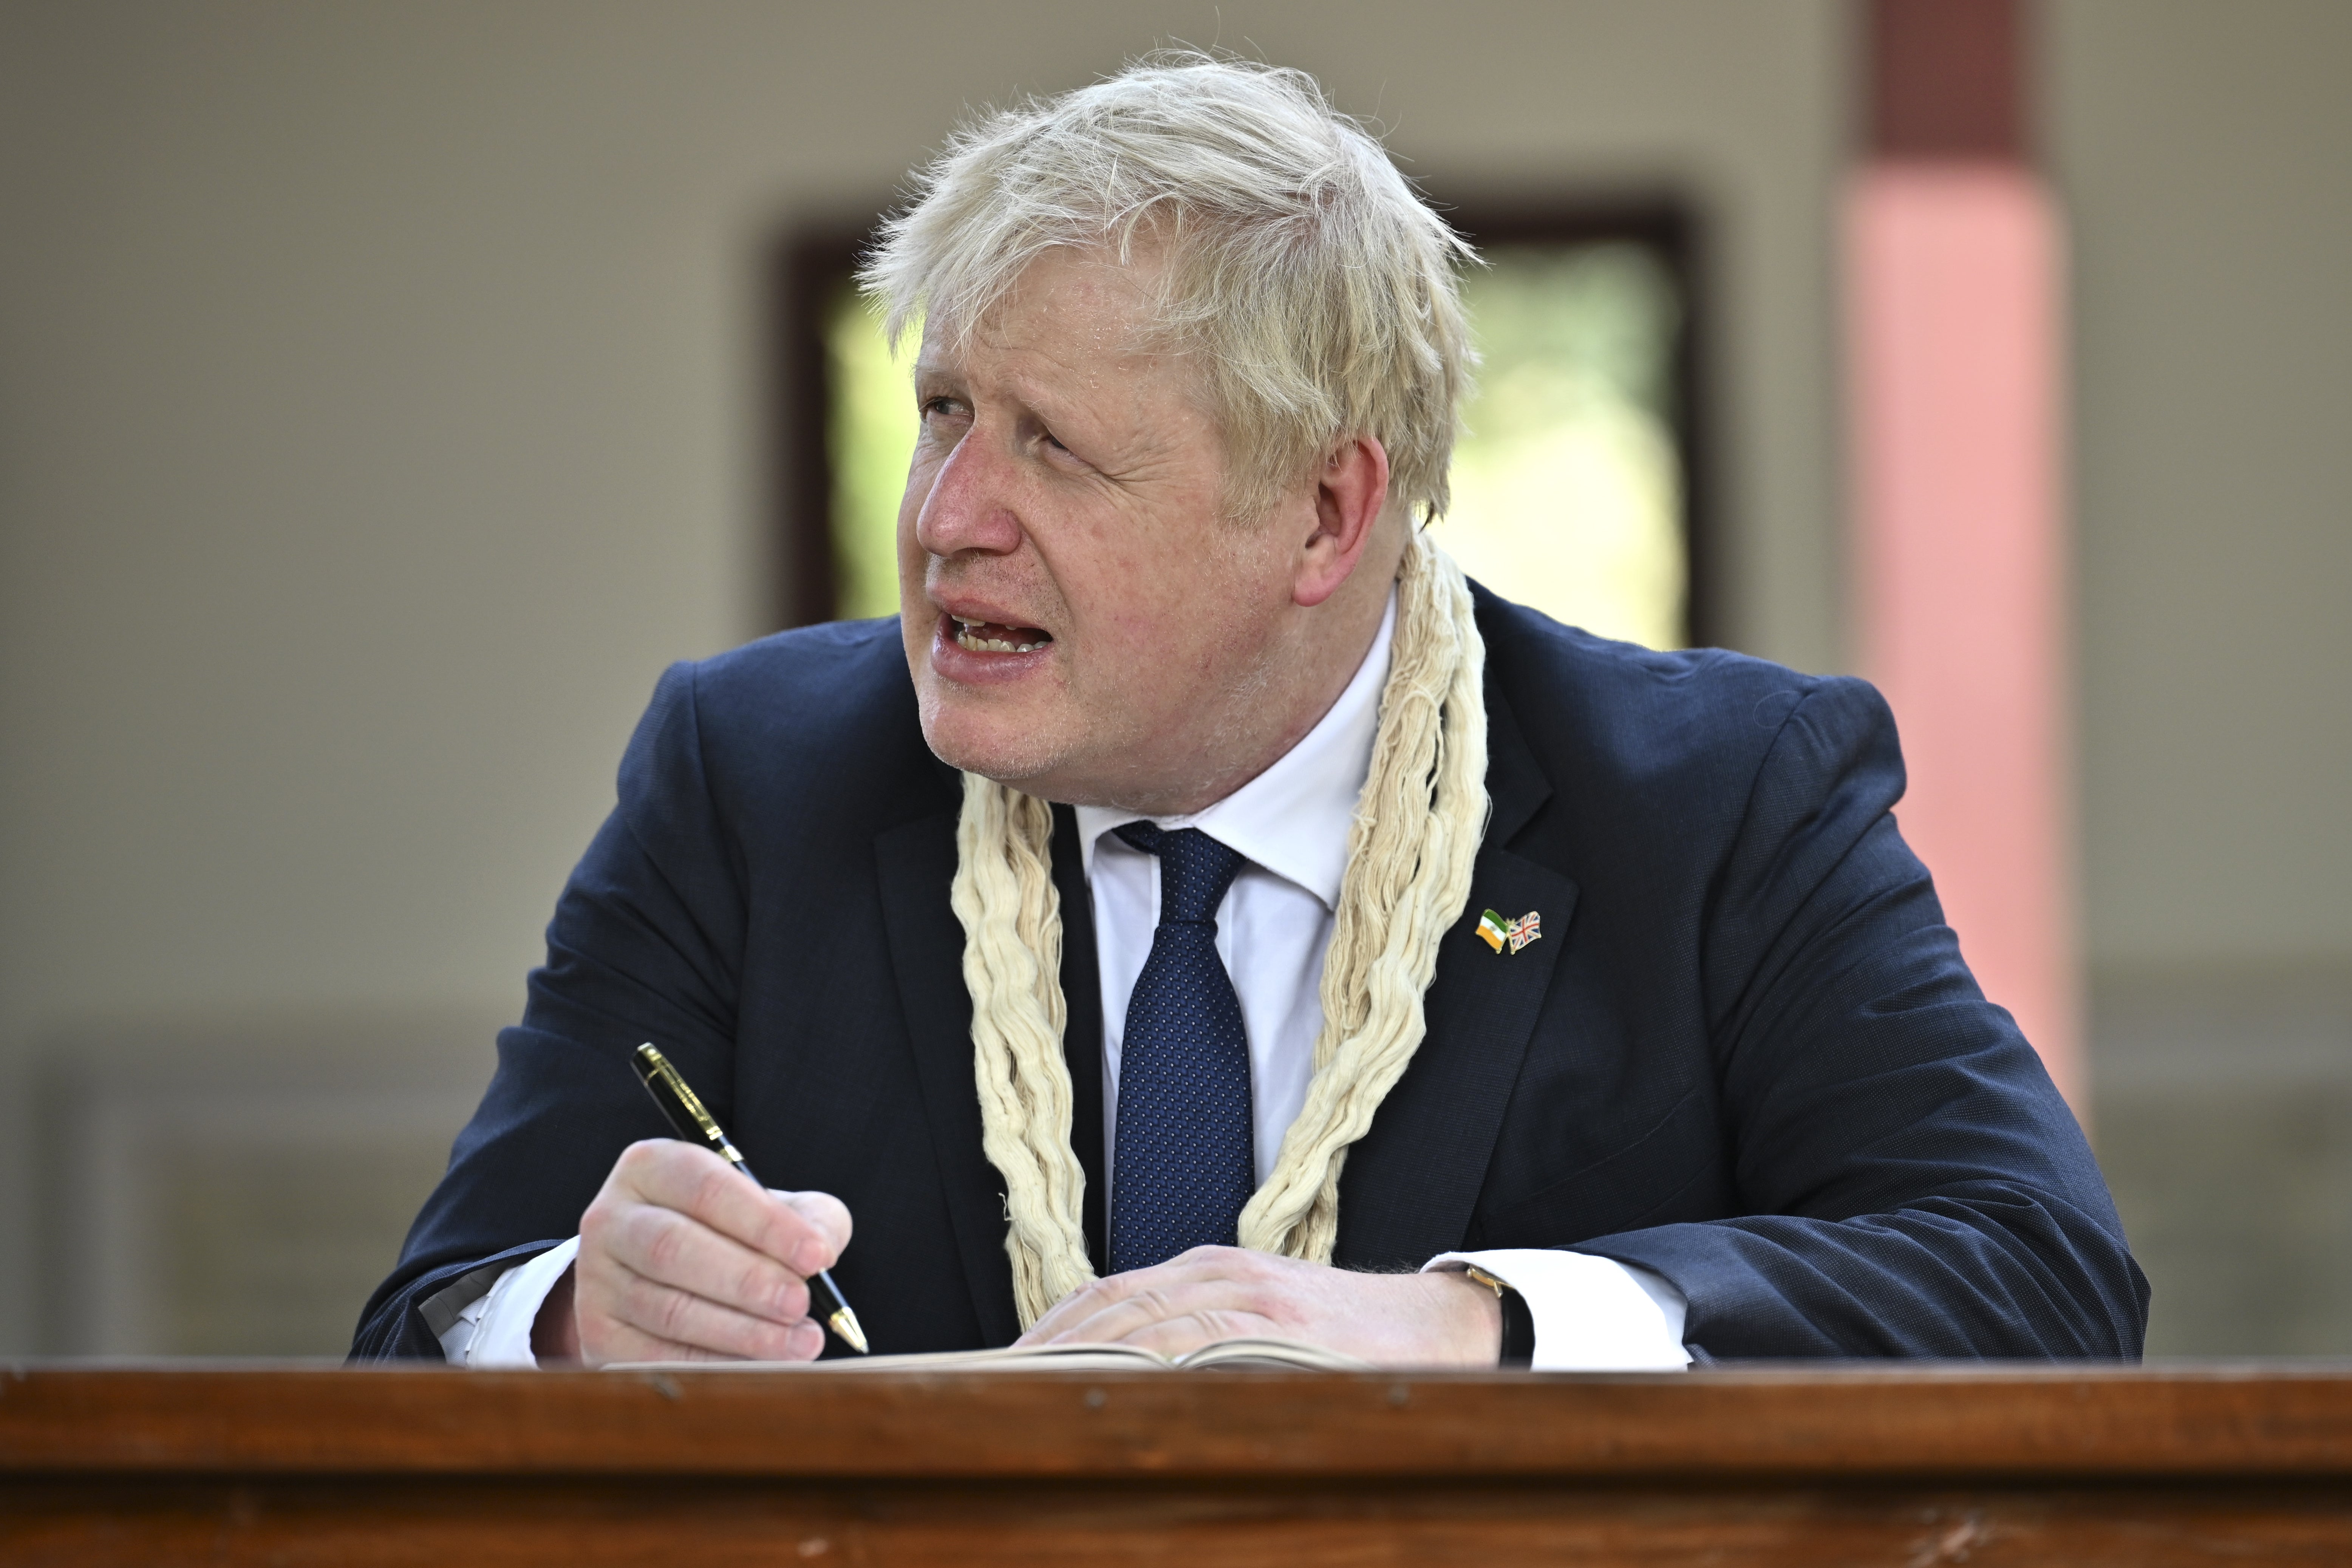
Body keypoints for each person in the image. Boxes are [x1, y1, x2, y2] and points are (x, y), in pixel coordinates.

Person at [353, 56, 2147, 1370]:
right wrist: (582, 1316)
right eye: (944, 414)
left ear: (1324, 514)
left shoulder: (1716, 800)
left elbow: (2038, 1279)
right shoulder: (750, 776)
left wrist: (1469, 1327)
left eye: (1052, 445)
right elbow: (428, 1325)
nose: (946, 516)